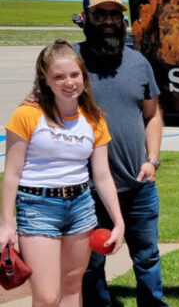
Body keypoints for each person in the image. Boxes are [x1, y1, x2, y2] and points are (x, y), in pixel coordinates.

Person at [0, 40, 125, 306]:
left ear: (83, 76)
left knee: (71, 287)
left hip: (80, 207)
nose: (68, 82)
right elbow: (11, 173)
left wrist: (118, 221)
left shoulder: (94, 118)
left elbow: (102, 176)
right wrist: (7, 224)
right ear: (45, 80)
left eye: (74, 74)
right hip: (37, 208)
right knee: (47, 296)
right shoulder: (28, 114)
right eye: (59, 76)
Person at [75, 0, 166, 306]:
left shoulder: (139, 63)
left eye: (115, 15)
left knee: (147, 257)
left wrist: (152, 160)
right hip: (87, 192)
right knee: (91, 264)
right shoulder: (70, 63)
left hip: (138, 185)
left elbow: (153, 115)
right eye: (100, 14)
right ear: (85, 18)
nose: (109, 21)